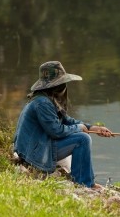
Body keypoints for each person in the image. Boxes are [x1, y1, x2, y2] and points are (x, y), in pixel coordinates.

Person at [13, 61, 113, 189]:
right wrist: (79, 129)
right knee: (82, 139)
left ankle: (86, 181)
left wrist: (92, 128)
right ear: (56, 86)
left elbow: (67, 120)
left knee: (82, 134)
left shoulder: (47, 99)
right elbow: (56, 131)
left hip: (37, 146)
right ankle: (84, 184)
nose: (64, 87)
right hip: (33, 153)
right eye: (62, 84)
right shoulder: (42, 103)